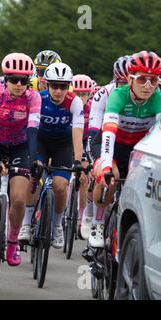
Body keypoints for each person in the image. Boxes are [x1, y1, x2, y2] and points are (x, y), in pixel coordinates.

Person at [0, 53, 41, 267]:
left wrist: (33, 159)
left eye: (24, 81)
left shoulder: (33, 98)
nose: (19, 85)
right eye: (14, 80)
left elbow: (32, 131)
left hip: (19, 146)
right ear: (5, 79)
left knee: (19, 199)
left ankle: (12, 242)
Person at [90, 51, 161, 248]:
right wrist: (105, 166)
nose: (148, 86)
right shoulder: (118, 96)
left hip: (136, 149)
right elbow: (108, 135)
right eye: (142, 79)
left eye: (153, 80)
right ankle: (96, 223)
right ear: (130, 79)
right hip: (110, 144)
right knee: (111, 176)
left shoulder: (158, 98)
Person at [19, 62, 86, 249]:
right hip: (40, 141)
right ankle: (25, 223)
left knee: (60, 186)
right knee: (34, 175)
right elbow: (29, 129)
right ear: (47, 85)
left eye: (63, 86)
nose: (58, 90)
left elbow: (78, 134)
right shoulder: (38, 99)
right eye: (54, 86)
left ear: (68, 86)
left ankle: (57, 225)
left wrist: (78, 161)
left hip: (62, 145)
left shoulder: (75, 102)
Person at [84, 55, 130, 239]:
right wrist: (91, 160)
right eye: (121, 83)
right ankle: (97, 223)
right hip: (103, 140)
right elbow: (93, 132)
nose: (126, 89)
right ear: (114, 80)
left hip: (129, 146)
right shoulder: (104, 94)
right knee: (108, 176)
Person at [71, 74, 94, 238]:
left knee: (84, 178)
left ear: (90, 95)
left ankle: (80, 215)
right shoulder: (68, 105)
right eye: (77, 93)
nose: (80, 97)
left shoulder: (92, 108)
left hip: (84, 142)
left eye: (84, 94)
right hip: (66, 140)